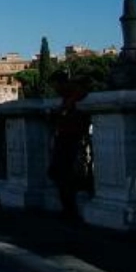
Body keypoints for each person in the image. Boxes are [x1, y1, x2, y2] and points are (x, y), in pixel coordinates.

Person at [47, 71, 93, 224]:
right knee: (59, 172)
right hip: (66, 137)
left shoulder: (74, 94)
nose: (54, 89)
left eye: (54, 85)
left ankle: (70, 209)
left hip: (72, 138)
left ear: (60, 83)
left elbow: (70, 108)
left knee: (64, 172)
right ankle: (68, 207)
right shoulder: (67, 96)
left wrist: (64, 109)